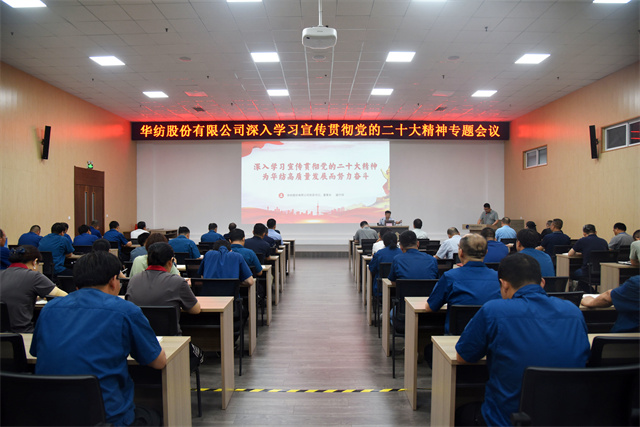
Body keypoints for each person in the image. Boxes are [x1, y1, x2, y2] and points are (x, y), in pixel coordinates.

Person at [30, 250, 167, 426]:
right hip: (106, 416)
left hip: (50, 415)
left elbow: (36, 352)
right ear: (113, 281)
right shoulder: (126, 311)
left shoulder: (49, 309)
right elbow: (158, 362)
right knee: (155, 415)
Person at [455, 253, 590, 427]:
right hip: (566, 418)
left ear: (504, 284)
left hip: (508, 421)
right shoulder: (573, 312)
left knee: (460, 413)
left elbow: (463, 357)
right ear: (542, 282)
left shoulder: (494, 311)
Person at [426, 234, 501, 333]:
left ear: (460, 253)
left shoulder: (450, 277)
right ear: (486, 252)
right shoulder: (499, 278)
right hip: (490, 337)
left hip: (456, 338)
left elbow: (430, 308)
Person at [127, 242, 201, 331]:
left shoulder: (134, 280)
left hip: (140, 336)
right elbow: (195, 310)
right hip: (170, 337)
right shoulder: (177, 281)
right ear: (170, 262)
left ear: (147, 261)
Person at [0, 245, 67, 332]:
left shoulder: (1, 274)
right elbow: (64, 296)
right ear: (35, 262)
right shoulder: (34, 276)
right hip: (23, 333)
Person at [568, 224, 609, 291]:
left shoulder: (582, 240)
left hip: (586, 272)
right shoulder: (604, 241)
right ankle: (589, 290)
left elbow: (570, 254)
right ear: (595, 232)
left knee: (571, 273)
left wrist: (581, 253)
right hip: (602, 272)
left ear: (584, 233)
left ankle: (582, 291)